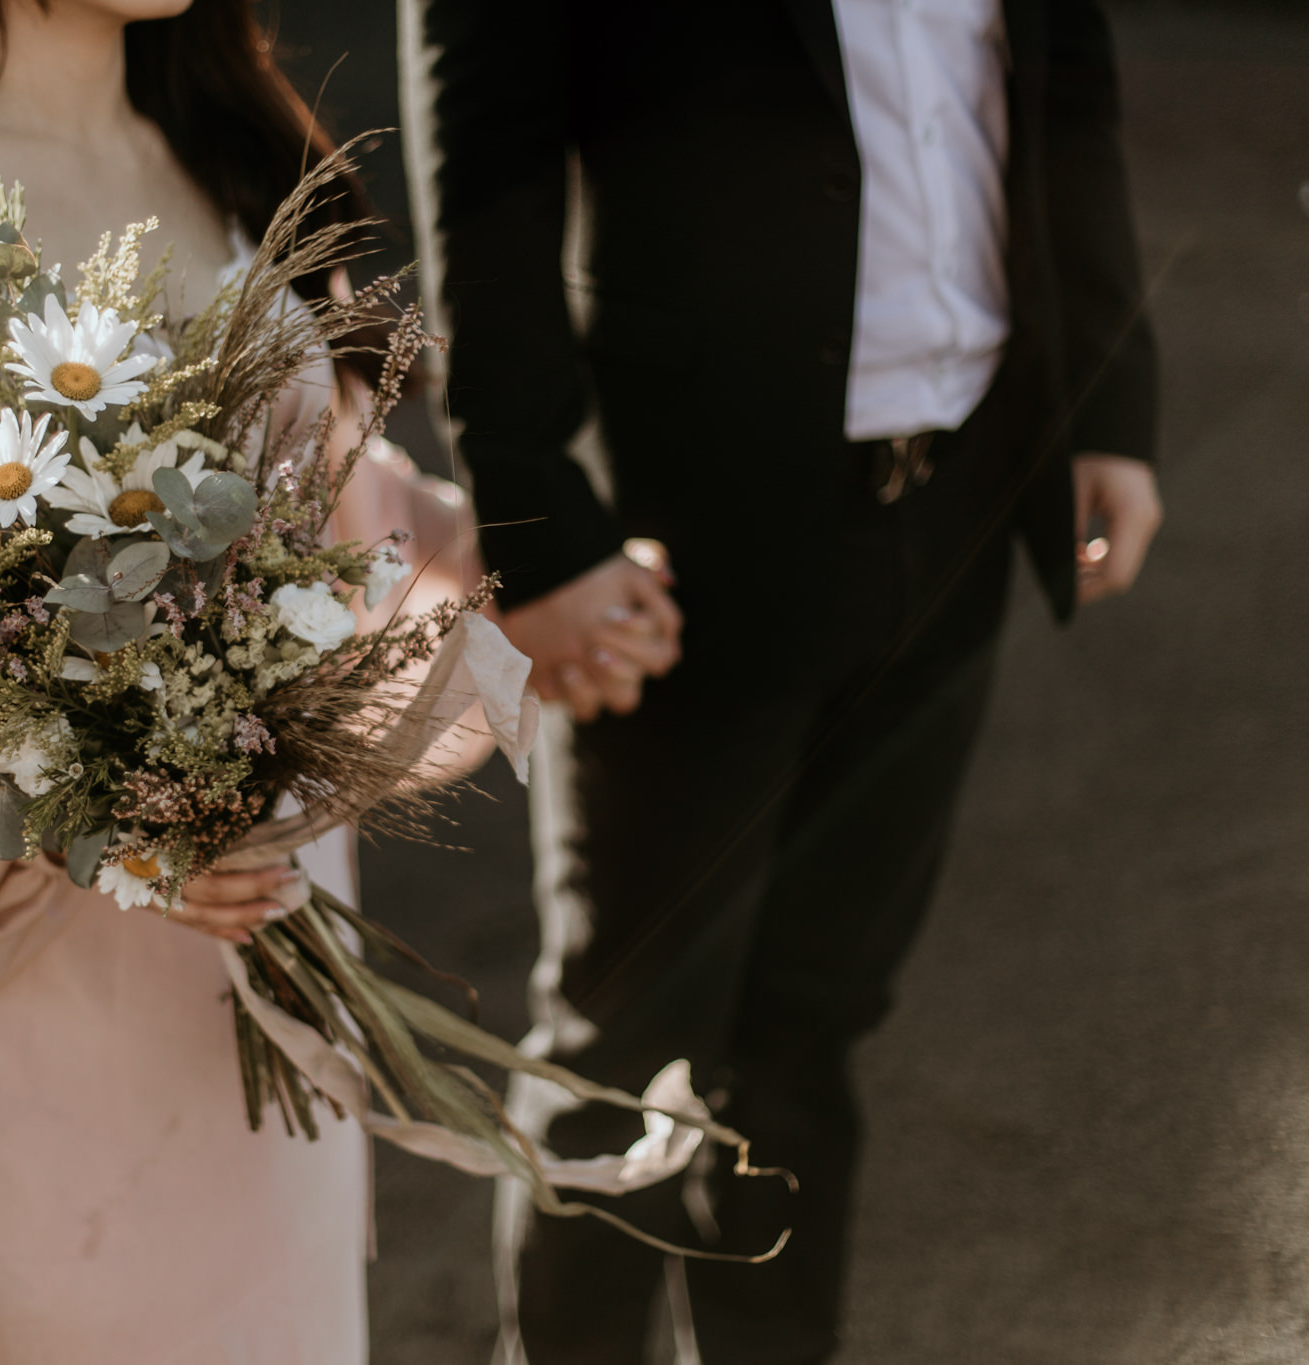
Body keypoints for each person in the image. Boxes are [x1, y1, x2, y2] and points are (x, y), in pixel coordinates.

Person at [0, 2, 474, 1360]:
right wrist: (115, 826)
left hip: (267, 956)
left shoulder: (221, 152)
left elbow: (339, 508)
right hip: (27, 988)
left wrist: (543, 572)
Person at [413, 0, 1162, 1359]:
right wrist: (533, 529)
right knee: (618, 1047)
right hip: (688, 524)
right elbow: (486, 144)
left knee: (810, 1040)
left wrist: (1107, 393)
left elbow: (1061, 68)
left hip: (961, 498)